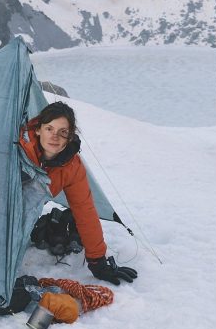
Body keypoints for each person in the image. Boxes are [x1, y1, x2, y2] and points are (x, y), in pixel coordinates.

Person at [18, 101, 137, 285]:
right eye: (49, 128)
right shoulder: (17, 148)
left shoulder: (71, 166)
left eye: (63, 132)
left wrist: (97, 261)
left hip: (21, 218)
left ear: (70, 136)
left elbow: (85, 210)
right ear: (39, 129)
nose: (55, 137)